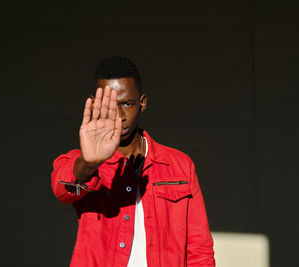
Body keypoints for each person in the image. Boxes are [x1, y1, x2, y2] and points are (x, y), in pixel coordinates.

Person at [51, 56, 215, 267]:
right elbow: (61, 189)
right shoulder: (84, 163)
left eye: (127, 103)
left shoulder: (179, 165)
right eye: (111, 105)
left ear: (142, 102)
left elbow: (199, 249)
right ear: (95, 103)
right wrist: (89, 163)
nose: (119, 116)